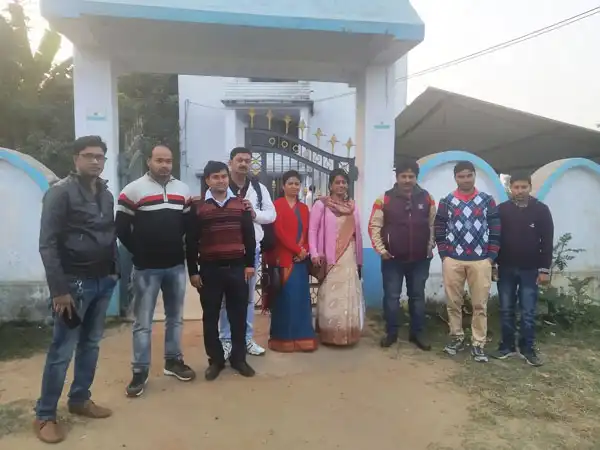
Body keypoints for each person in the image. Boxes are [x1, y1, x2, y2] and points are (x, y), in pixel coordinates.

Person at [35, 136, 119, 444]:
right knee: (62, 350)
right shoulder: (60, 193)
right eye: (89, 155)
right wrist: (59, 290)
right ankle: (45, 415)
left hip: (102, 281)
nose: (95, 161)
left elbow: (108, 235)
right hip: (73, 285)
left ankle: (80, 399)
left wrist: (114, 271)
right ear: (75, 158)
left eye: (100, 157)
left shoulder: (106, 194)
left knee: (91, 344)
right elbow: (47, 244)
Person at [116, 145, 195, 397]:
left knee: (175, 318)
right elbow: (121, 229)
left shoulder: (182, 190)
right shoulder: (133, 190)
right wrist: (139, 252)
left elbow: (188, 226)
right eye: (159, 160)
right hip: (146, 269)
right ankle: (140, 370)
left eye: (168, 161)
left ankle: (173, 361)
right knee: (143, 322)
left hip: (175, 266)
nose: (164, 165)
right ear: (149, 161)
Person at [186, 161, 256, 381]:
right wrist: (193, 271)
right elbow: (191, 241)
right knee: (210, 317)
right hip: (210, 271)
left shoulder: (241, 205)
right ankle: (215, 360)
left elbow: (249, 237)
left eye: (224, 176)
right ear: (207, 180)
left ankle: (239, 359)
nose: (221, 180)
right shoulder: (198, 208)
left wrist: (249, 265)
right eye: (215, 177)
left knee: (238, 316)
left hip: (237, 269)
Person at [434, 161, 501, 363]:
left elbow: (496, 228)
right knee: (453, 303)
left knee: (479, 304)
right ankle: (456, 337)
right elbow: (439, 227)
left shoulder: (486, 200)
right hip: (453, 259)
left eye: (468, 175)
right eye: (461, 176)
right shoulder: (447, 201)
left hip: (481, 260)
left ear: (474, 176)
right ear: (455, 178)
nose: (465, 180)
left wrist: (491, 257)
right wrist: (444, 254)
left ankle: (478, 343)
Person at [369, 160, 436, 351]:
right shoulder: (384, 199)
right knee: (392, 297)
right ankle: (391, 333)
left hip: (420, 259)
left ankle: (417, 333)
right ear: (397, 177)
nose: (407, 180)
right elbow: (374, 226)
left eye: (411, 176)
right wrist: (382, 250)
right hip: (392, 260)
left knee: (417, 297)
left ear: (416, 177)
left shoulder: (427, 198)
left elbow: (433, 225)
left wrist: (429, 248)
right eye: (403, 176)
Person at [219, 147, 276, 359]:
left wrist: (254, 213)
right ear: (231, 162)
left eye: (247, 160)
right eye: (239, 160)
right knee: (226, 298)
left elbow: (271, 215)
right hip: (226, 249)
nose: (243, 163)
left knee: (249, 298)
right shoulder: (221, 186)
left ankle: (246, 339)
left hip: (252, 250)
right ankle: (226, 340)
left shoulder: (258, 188)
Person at [492, 172, 553, 366]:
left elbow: (547, 241)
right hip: (505, 268)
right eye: (516, 187)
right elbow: (494, 239)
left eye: (523, 187)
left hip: (530, 269)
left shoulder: (541, 210)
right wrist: (494, 264)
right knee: (506, 309)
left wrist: (544, 270)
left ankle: (528, 349)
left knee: (528, 311)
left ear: (530, 187)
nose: (520, 191)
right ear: (510, 188)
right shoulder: (502, 210)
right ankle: (507, 346)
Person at [309, 169, 364, 346]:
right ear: (331, 185)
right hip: (329, 256)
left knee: (347, 294)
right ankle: (330, 333)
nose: (341, 185)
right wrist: (314, 253)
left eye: (344, 182)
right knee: (331, 293)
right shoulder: (322, 205)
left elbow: (357, 233)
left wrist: (359, 257)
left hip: (349, 255)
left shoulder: (352, 207)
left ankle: (347, 333)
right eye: (337, 182)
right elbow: (312, 230)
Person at [266, 170, 318, 352]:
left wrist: (306, 250)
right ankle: (283, 339)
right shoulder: (276, 205)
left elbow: (310, 232)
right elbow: (278, 232)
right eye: (290, 183)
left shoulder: (304, 208)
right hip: (284, 259)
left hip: (301, 262)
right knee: (285, 300)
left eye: (297, 183)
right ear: (283, 186)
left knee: (301, 300)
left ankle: (303, 338)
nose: (294, 187)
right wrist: (297, 250)